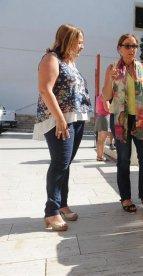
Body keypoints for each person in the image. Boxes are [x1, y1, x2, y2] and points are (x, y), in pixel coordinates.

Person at [33, 24, 92, 231]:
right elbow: (45, 89)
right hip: (60, 120)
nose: (82, 46)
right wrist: (60, 119)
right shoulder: (51, 59)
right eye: (79, 41)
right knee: (59, 163)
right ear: (67, 40)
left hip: (75, 119)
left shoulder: (70, 62)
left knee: (65, 164)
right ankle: (51, 212)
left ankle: (63, 204)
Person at [102, 33, 143, 213]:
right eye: (127, 46)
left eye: (134, 46)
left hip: (141, 118)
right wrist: (111, 79)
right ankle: (126, 199)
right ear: (119, 48)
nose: (132, 49)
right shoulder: (112, 68)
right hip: (121, 119)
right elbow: (106, 96)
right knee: (123, 160)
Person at [94, 94, 110, 161]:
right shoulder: (105, 97)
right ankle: (101, 157)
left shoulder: (98, 98)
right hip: (104, 118)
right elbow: (107, 109)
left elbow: (97, 110)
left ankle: (98, 156)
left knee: (99, 139)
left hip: (99, 117)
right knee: (103, 139)